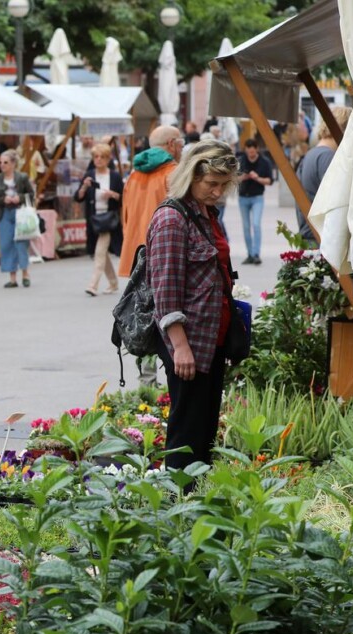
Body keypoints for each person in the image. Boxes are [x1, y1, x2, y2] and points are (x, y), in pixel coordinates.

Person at [147, 140, 241, 472]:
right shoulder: (172, 219)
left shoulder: (205, 213)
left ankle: (198, 493)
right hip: (188, 343)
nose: (218, 192)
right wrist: (180, 346)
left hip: (211, 337)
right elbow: (165, 288)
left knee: (204, 430)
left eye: (223, 185)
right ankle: (178, 496)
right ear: (191, 176)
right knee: (186, 432)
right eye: (211, 183)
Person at [118, 125, 183, 278]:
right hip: (164, 248)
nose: (182, 149)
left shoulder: (133, 174)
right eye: (181, 144)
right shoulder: (174, 173)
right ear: (171, 144)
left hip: (136, 249)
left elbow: (125, 214)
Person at [296, 106, 352, 245]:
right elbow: (338, 202)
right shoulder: (328, 157)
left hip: (310, 237)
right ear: (344, 129)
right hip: (320, 239)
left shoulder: (312, 155)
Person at [74, 143, 124, 296]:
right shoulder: (89, 175)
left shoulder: (115, 176)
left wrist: (113, 194)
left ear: (108, 159)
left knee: (100, 252)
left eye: (102, 157)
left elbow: (124, 198)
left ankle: (93, 285)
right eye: (96, 157)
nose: (99, 159)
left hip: (109, 220)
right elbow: (78, 197)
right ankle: (113, 283)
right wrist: (84, 186)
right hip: (94, 220)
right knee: (102, 253)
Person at [0, 150, 36, 288]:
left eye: (6, 162)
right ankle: (12, 277)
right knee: (6, 244)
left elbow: (31, 194)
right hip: (4, 213)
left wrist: (19, 198)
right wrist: (3, 199)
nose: (2, 165)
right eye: (0, 163)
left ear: (13, 164)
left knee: (21, 243)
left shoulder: (22, 177)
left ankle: (25, 273)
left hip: (20, 213)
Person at [236, 138, 275, 265]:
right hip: (243, 197)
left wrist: (257, 178)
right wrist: (244, 177)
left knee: (256, 224)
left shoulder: (264, 162)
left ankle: (256, 253)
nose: (251, 153)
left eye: (253, 151)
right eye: (249, 151)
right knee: (246, 226)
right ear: (246, 150)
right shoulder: (241, 161)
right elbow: (233, 179)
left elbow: (270, 181)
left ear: (257, 149)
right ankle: (250, 254)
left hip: (257, 197)